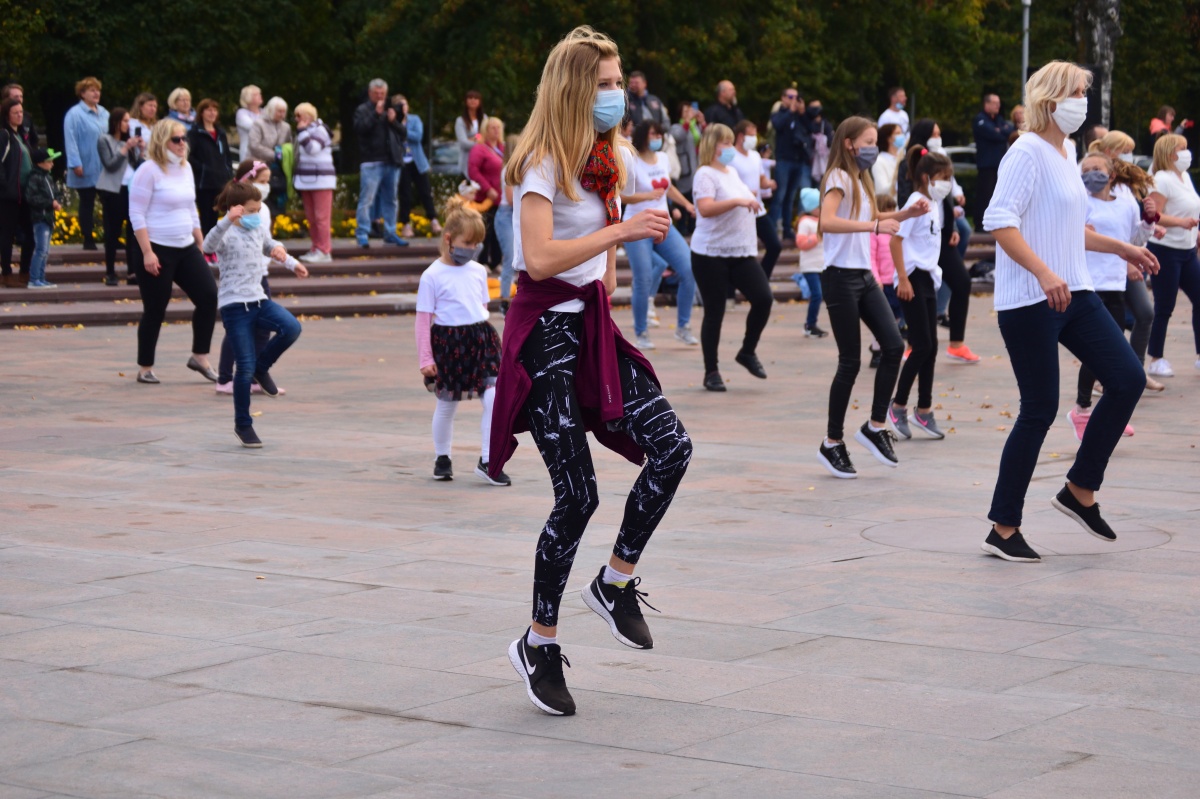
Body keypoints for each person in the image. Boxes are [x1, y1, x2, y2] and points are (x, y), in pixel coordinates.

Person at [492, 26, 691, 717]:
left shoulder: (611, 156)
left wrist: (619, 257)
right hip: (543, 333)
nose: (617, 95)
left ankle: (614, 581)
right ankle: (539, 642)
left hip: (589, 325)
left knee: (672, 447)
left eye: (618, 82)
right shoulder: (541, 161)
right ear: (576, 89)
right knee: (577, 495)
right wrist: (620, 233)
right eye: (605, 85)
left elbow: (646, 193)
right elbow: (540, 257)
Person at [981, 61, 1159, 563]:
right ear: (1052, 98)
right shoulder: (1025, 152)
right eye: (1078, 92)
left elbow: (1067, 228)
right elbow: (999, 220)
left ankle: (1080, 489)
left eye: (1085, 92)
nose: (1084, 101)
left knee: (1127, 378)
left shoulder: (1067, 153)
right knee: (1038, 409)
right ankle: (1003, 528)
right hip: (1030, 298)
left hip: (1076, 291)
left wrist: (1122, 248)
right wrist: (1042, 272)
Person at [816, 116, 930, 479]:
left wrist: (906, 213)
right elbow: (826, 221)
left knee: (894, 346)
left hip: (864, 276)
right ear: (848, 143)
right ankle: (832, 442)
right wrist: (874, 226)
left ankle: (875, 425)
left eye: (874, 142)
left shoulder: (861, 178)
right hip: (840, 278)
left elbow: (873, 214)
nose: (873, 148)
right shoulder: (837, 177)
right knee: (850, 361)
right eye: (867, 142)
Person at [203, 179, 307, 448]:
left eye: (259, 210)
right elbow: (207, 246)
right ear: (236, 209)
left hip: (258, 300)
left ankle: (263, 368)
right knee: (244, 366)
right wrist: (226, 220)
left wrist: (291, 262)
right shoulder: (225, 232)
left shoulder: (257, 228)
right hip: (235, 306)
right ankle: (243, 424)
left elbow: (270, 245)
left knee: (291, 327)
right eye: (251, 210)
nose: (256, 215)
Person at [415, 197, 508, 484]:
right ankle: (442, 457)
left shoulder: (478, 271)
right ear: (449, 239)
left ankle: (488, 460)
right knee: (447, 404)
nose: (472, 249)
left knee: (493, 397)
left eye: (477, 243)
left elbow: (481, 306)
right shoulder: (431, 275)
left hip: (481, 339)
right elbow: (423, 320)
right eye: (467, 243)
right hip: (448, 343)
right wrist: (426, 358)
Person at [1068, 152, 1157, 440]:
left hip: (1116, 284)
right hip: (1087, 284)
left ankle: (1108, 413)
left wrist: (1149, 220)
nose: (1091, 174)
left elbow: (1135, 241)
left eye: (1097, 169)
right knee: (1095, 352)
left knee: (1113, 352)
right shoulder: (1079, 202)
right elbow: (1065, 239)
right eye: (1086, 170)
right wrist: (1078, 233)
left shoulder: (1126, 203)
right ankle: (1082, 410)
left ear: (1112, 175)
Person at [128, 121, 219, 385]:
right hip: (156, 247)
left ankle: (199, 356)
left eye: (183, 139)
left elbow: (191, 208)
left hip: (185, 246)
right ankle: (145, 367)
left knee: (208, 296)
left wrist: (200, 242)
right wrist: (147, 252)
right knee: (155, 308)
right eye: (176, 139)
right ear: (161, 141)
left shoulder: (185, 167)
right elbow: (136, 213)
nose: (182, 144)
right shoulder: (148, 170)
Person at [689, 123, 774, 391]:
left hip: (740, 251)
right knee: (715, 312)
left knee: (763, 298)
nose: (729, 148)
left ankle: (747, 351)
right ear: (712, 146)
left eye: (729, 142)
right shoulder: (705, 174)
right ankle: (711, 371)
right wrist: (738, 201)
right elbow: (705, 208)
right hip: (710, 253)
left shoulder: (732, 172)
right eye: (724, 143)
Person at [1088, 130, 1164, 391]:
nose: (1130, 156)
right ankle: (1097, 384)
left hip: (1121, 268)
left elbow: (1135, 236)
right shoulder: (1086, 183)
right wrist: (1128, 260)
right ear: (1110, 152)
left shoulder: (1124, 191)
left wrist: (1150, 221)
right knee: (1105, 330)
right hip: (1099, 272)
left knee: (1145, 313)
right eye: (1126, 150)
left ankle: (1136, 372)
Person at [888, 147, 955, 441]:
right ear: (927, 177)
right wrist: (902, 278)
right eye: (943, 177)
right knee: (921, 345)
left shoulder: (933, 203)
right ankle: (898, 405)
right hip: (912, 277)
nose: (947, 183)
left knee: (931, 346)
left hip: (927, 277)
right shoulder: (916, 202)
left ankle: (924, 409)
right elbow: (895, 241)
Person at [900, 119, 979, 364]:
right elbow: (905, 202)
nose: (938, 137)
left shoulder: (940, 161)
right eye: (934, 133)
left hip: (941, 235)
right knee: (917, 292)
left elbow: (945, 200)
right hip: (919, 240)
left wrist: (952, 227)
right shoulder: (910, 165)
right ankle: (912, 344)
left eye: (939, 133)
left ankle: (956, 344)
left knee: (962, 282)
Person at [621, 120, 699, 350]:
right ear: (643, 135)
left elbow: (668, 188)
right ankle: (641, 332)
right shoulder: (631, 160)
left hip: (663, 223)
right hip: (638, 225)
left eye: (659, 134)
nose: (657, 138)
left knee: (689, 269)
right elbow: (620, 195)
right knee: (643, 278)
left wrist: (686, 204)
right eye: (653, 134)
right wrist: (646, 196)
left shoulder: (663, 158)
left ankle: (683, 327)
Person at [215, 160, 284, 396]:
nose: (266, 186)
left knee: (263, 329)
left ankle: (256, 376)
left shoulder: (262, 209)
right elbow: (212, 243)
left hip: (259, 275)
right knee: (237, 330)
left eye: (268, 181)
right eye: (262, 181)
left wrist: (282, 254)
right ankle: (225, 378)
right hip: (239, 284)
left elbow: (267, 240)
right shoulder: (237, 215)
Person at [1145, 134, 1200, 378]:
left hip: (1187, 251)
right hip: (1165, 250)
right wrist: (1181, 223)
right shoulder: (1162, 179)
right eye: (1182, 148)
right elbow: (1154, 215)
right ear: (1169, 153)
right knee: (1165, 305)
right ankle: (1156, 358)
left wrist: (1195, 232)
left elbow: (1190, 208)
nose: (1187, 152)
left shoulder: (1184, 177)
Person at [353, 80, 407, 249]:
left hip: (392, 160)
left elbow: (403, 134)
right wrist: (376, 114)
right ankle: (362, 233)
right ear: (370, 93)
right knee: (366, 200)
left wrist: (393, 120)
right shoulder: (363, 110)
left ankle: (390, 233)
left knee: (391, 200)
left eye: (382, 93)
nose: (379, 96)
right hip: (371, 161)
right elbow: (359, 129)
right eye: (376, 93)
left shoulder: (392, 109)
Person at [730, 120, 782, 278]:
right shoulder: (731, 157)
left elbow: (761, 180)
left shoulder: (755, 156)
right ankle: (734, 288)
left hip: (758, 210)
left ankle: (762, 281)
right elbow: (727, 183)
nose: (754, 139)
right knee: (741, 253)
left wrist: (769, 183)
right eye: (751, 135)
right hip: (740, 211)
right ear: (741, 136)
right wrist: (744, 193)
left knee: (775, 246)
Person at [97, 107, 142, 285]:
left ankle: (132, 271)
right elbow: (110, 164)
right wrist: (126, 148)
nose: (127, 124)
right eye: (125, 121)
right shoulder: (104, 139)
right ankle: (110, 271)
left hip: (131, 190)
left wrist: (140, 151)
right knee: (113, 232)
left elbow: (137, 166)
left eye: (129, 121)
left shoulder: (127, 142)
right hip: (113, 190)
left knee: (133, 232)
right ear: (116, 122)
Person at [63, 77, 108, 252]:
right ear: (82, 94)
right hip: (86, 165)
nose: (96, 93)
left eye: (98, 90)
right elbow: (71, 140)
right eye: (92, 90)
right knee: (87, 202)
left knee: (110, 204)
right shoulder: (74, 114)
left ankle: (111, 237)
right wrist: (75, 163)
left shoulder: (104, 113)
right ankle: (88, 238)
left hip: (105, 166)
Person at [292, 102, 336, 263]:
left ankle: (324, 251)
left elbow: (312, 149)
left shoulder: (320, 129)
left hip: (321, 180)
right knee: (311, 218)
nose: (296, 119)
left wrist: (302, 131)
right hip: (305, 180)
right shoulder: (304, 131)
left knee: (321, 218)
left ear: (308, 116)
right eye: (295, 116)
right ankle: (315, 247)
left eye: (299, 115)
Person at [396, 94, 441, 239]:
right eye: (400, 105)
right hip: (402, 162)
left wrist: (401, 130)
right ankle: (405, 224)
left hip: (417, 161)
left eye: (405, 104)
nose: (403, 108)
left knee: (425, 191)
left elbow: (418, 136)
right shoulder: (392, 121)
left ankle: (433, 219)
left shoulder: (414, 119)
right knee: (405, 194)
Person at [770, 88, 813, 239]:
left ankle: (787, 229)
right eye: (790, 96)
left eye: (796, 97)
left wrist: (802, 112)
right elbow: (777, 125)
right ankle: (772, 229)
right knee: (780, 196)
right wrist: (790, 111)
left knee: (791, 197)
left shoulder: (800, 116)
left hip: (798, 160)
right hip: (784, 160)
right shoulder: (779, 113)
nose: (794, 99)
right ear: (783, 98)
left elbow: (810, 129)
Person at [0, 98, 33, 286]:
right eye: (15, 113)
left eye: (21, 112)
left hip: (25, 194)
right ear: (7, 116)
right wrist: (5, 186)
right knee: (7, 234)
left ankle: (25, 271)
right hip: (10, 195)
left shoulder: (21, 136)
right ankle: (6, 272)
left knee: (30, 235)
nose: (20, 115)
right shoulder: (4, 135)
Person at [186, 98, 232, 235]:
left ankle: (214, 244)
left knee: (217, 216)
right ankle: (204, 245)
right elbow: (189, 156)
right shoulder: (195, 133)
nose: (212, 113)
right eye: (209, 110)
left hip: (220, 181)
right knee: (206, 217)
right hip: (204, 183)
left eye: (215, 110)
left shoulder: (221, 133)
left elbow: (227, 155)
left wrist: (227, 171)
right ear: (202, 112)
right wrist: (203, 169)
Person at [869, 193, 903, 368]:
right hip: (882, 283)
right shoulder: (874, 233)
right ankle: (876, 351)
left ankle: (887, 346)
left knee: (895, 318)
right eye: (887, 210)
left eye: (893, 210)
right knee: (881, 320)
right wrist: (876, 279)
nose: (891, 214)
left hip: (896, 282)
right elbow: (872, 258)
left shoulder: (898, 230)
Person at [975, 93, 1017, 233]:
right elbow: (993, 134)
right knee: (985, 194)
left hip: (999, 164)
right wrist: (1000, 132)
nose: (998, 106)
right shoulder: (980, 120)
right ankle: (980, 224)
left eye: (998, 103)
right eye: (994, 103)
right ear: (986, 104)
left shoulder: (999, 120)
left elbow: (1010, 131)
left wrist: (1000, 131)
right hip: (986, 164)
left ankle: (993, 222)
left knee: (997, 194)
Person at [468, 117, 505, 270]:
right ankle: (482, 261)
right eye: (492, 127)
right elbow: (473, 171)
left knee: (499, 230)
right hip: (485, 198)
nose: (496, 130)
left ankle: (496, 261)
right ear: (485, 130)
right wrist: (487, 188)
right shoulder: (479, 148)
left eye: (498, 127)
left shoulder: (503, 148)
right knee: (485, 230)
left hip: (502, 198)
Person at [23, 147, 62, 289]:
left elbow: (56, 193)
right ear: (40, 163)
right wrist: (50, 203)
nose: (52, 164)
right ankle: (34, 279)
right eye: (49, 161)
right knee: (41, 249)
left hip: (49, 217)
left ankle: (41, 277)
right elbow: (31, 198)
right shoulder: (35, 177)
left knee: (45, 250)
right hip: (40, 218)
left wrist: (57, 201)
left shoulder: (48, 177)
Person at [249, 96, 291, 216]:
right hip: (260, 166)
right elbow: (254, 146)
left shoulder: (286, 127)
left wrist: (284, 155)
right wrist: (275, 155)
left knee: (277, 206)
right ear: (271, 110)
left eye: (284, 112)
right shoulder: (258, 124)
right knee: (260, 201)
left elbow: (288, 146)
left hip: (279, 169)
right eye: (279, 111)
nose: (282, 114)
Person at [794, 187, 827, 337]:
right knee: (817, 295)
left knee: (821, 295)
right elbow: (801, 242)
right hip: (810, 266)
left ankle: (812, 323)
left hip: (822, 265)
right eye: (818, 206)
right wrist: (816, 237)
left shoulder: (823, 220)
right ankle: (810, 324)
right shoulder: (805, 222)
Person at [670, 102, 704, 236]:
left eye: (690, 111)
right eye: (686, 112)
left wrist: (702, 122)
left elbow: (703, 137)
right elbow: (679, 137)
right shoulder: (676, 127)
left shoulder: (694, 127)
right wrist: (687, 122)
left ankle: (692, 227)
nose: (689, 114)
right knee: (683, 197)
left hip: (694, 166)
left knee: (693, 197)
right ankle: (682, 228)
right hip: (684, 170)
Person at [495, 134, 520, 314]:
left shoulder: (517, 168)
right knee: (510, 257)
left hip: (513, 214)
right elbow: (511, 199)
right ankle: (504, 299)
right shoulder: (509, 170)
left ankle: (514, 296)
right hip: (506, 214)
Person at [454, 90, 486, 176]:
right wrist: (479, 140)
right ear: (465, 101)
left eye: (476, 98)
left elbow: (486, 137)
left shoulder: (484, 118)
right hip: (467, 160)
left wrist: (473, 138)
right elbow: (464, 143)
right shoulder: (460, 121)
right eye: (470, 98)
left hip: (482, 159)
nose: (473, 100)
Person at [2, 84, 38, 151]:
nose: (19, 99)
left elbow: (33, 140)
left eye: (21, 96)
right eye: (16, 97)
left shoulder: (27, 117)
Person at [806, 100, 835, 185]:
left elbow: (830, 141)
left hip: (822, 161)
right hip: (806, 160)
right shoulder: (806, 123)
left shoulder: (826, 125)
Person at [872, 123, 903, 198]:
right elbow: (881, 190)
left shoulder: (902, 158)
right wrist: (900, 182)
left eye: (901, 133)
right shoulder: (879, 161)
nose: (902, 136)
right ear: (889, 138)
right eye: (897, 133)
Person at [236, 85, 263, 162]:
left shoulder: (265, 112)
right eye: (256, 94)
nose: (260, 96)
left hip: (264, 155)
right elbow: (254, 127)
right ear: (248, 97)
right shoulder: (241, 113)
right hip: (248, 155)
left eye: (259, 94)